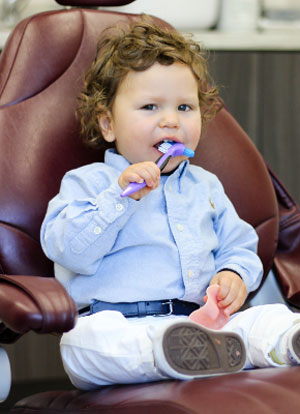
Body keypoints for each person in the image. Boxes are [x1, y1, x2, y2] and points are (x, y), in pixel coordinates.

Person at [40, 19, 300, 390]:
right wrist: (120, 198)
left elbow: (240, 246)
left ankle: (284, 341)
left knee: (266, 317)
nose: (170, 120)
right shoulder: (88, 183)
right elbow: (68, 251)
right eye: (149, 107)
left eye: (184, 107)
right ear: (108, 124)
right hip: (118, 325)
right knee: (86, 342)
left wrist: (234, 275)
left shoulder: (206, 187)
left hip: (201, 324)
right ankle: (162, 354)